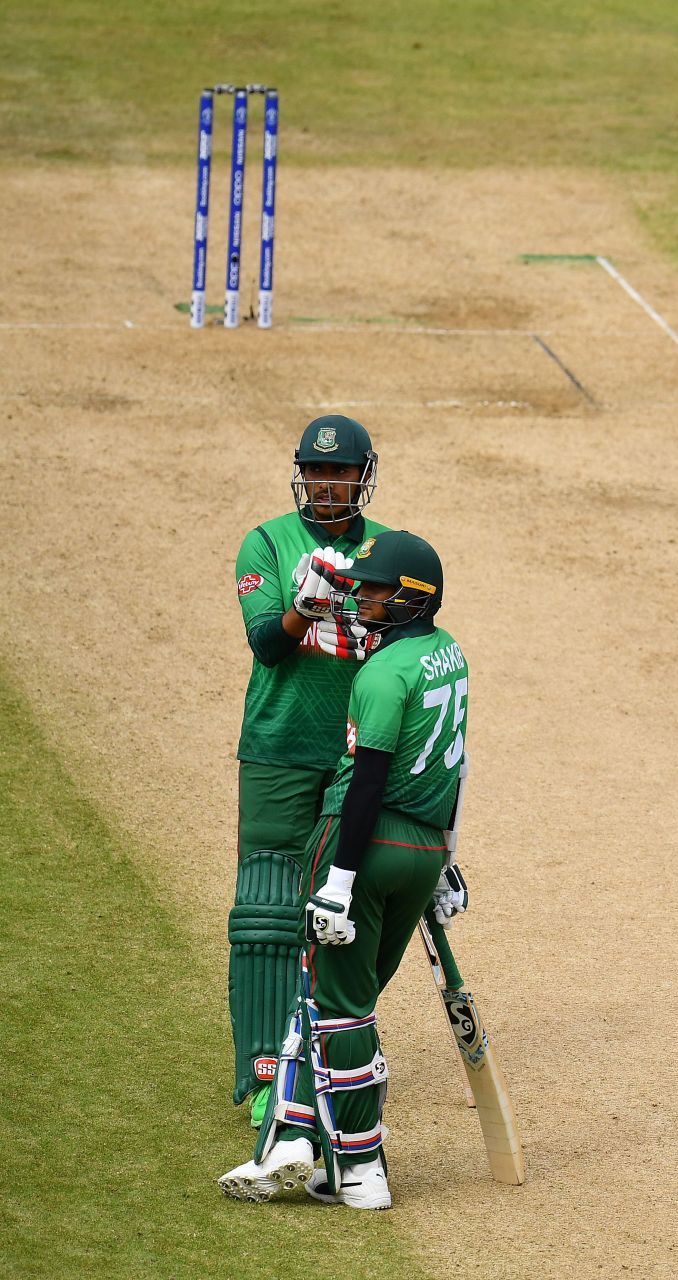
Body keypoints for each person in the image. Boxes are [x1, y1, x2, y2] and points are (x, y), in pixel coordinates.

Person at [220, 530, 472, 1210]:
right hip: (423, 851)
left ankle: (361, 1169)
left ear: (413, 599)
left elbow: (366, 785)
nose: (360, 599)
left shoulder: (380, 674)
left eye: (376, 590)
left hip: (364, 844)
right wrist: (447, 855)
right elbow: (457, 764)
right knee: (329, 994)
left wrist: (338, 882)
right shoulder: (450, 656)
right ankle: (298, 1139)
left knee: (340, 1010)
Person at [227, 415, 387, 1128]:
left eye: (340, 473)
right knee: (267, 912)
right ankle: (266, 1074)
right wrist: (303, 607)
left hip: (355, 754)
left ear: (362, 476)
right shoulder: (265, 543)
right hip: (279, 748)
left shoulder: (387, 553)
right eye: (316, 472)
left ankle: (328, 1056)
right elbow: (266, 646)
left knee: (343, 913)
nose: (326, 484)